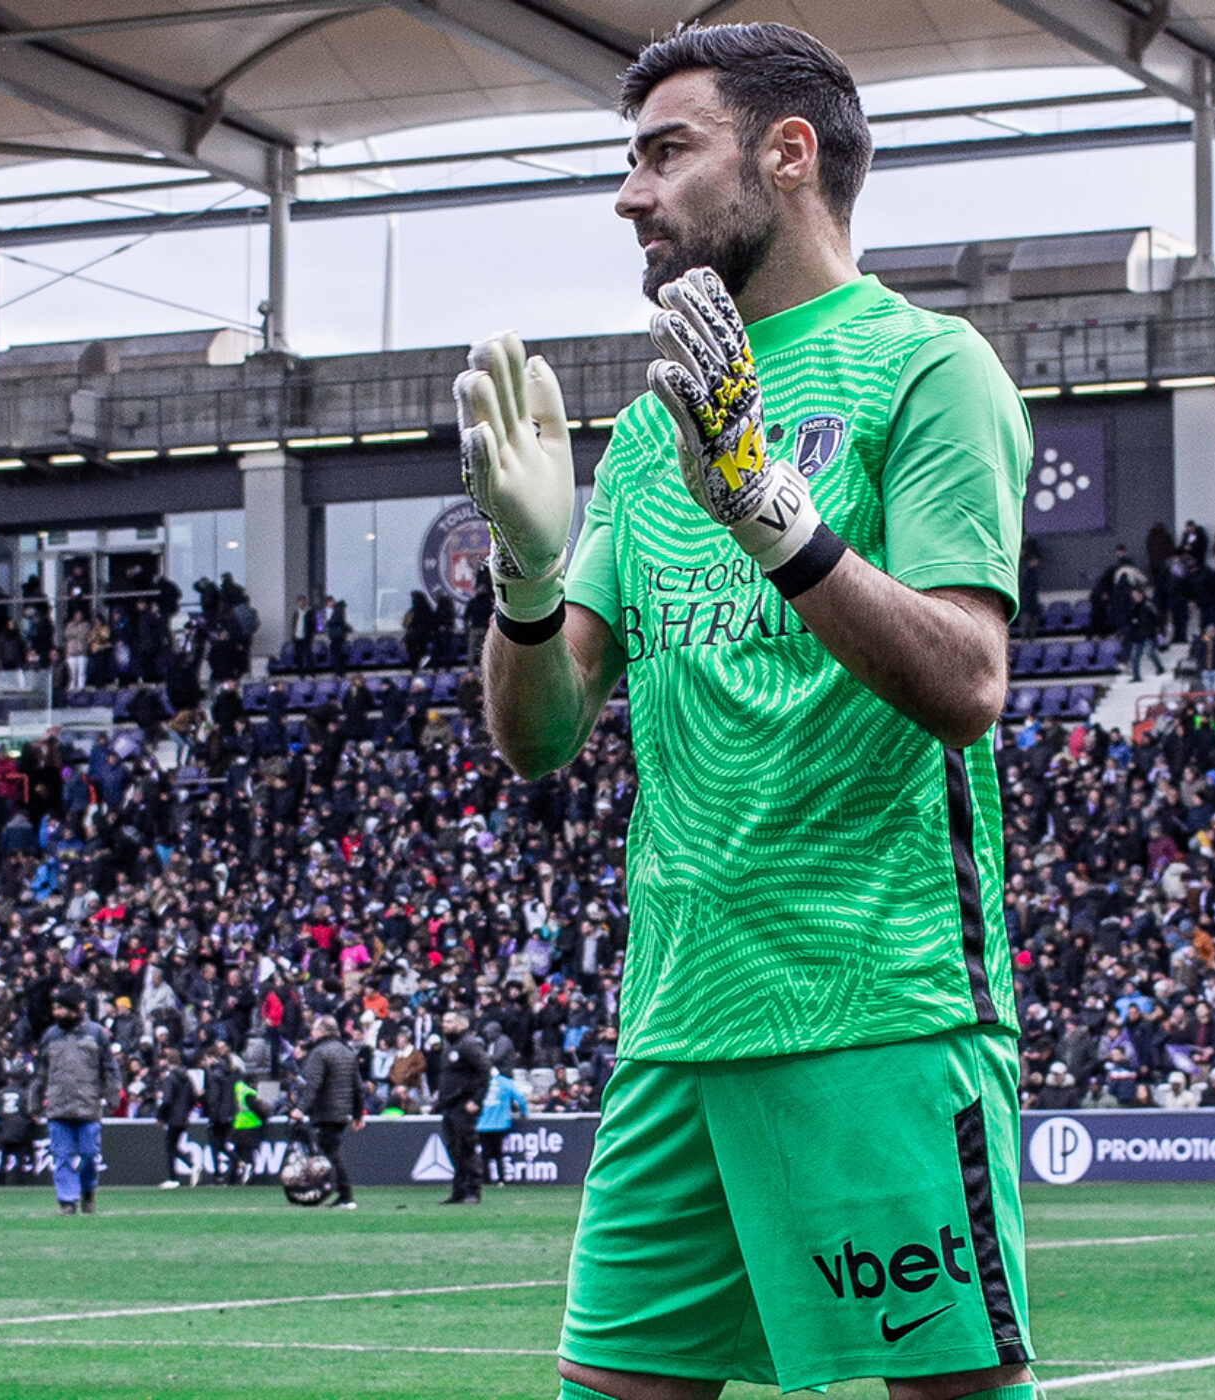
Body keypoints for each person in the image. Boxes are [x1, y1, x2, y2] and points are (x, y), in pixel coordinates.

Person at [464, 24, 1035, 1399]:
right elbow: (538, 736)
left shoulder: (929, 369)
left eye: (666, 152)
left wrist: (773, 510)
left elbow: (968, 683)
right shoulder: (658, 429)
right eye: (629, 160)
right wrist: (527, 573)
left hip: (878, 1012)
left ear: (787, 156)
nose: (629, 195)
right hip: (676, 1030)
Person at [33, 986, 118, 1216]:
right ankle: (67, 1201)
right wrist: (34, 1100)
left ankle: (88, 1191)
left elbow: (109, 1069)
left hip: (87, 1106)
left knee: (89, 1154)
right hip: (58, 1107)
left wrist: (112, 1096)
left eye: (60, 1008)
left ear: (75, 1009)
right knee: (62, 1157)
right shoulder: (50, 1036)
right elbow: (40, 1071)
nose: (56, 1012)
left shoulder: (96, 1034)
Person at [294, 1015, 362, 1209]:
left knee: (330, 1153)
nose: (312, 1033)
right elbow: (358, 1086)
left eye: (314, 1030)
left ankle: (345, 1194)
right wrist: (357, 1115)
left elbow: (312, 1085)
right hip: (343, 1111)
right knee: (330, 1152)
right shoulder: (347, 1051)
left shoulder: (319, 1052)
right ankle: (335, 1191)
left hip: (325, 1110)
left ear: (322, 1032)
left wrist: (301, 1109)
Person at [433, 1010, 491, 1205]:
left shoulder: (469, 1044)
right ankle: (459, 1191)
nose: (445, 1025)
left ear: (461, 1025)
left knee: (466, 1148)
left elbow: (485, 1071)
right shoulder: (450, 1046)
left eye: (449, 1022)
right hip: (449, 1105)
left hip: (463, 1105)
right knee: (454, 1149)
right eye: (444, 1021)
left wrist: (477, 1099)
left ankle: (473, 1191)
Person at [203, 1045, 264, 1186]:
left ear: (210, 1058)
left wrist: (211, 1111)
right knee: (222, 1144)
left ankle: (236, 1165)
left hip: (220, 1115)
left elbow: (214, 1097)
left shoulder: (215, 1073)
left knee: (217, 1144)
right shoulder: (230, 1071)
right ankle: (227, 1173)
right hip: (230, 1114)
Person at [477, 1062, 531, 1190]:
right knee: (499, 1153)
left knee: (485, 1154)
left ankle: (486, 1180)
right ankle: (501, 1179)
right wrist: (524, 1112)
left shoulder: (480, 1083)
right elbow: (519, 1097)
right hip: (500, 1123)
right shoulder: (506, 1082)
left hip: (483, 1124)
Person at [0, 1062, 39, 1188]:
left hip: (5, 1129)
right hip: (21, 1130)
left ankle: (0, 1184)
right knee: (20, 1159)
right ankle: (21, 1184)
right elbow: (29, 1111)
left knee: (4, 1159)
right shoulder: (25, 1093)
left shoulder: (0, 1093)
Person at [154, 1049, 197, 1188]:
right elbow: (193, 1097)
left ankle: (173, 1178)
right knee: (173, 1145)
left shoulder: (169, 1078)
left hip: (173, 1116)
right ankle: (190, 1164)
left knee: (170, 1146)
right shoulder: (187, 1077)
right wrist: (187, 1111)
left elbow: (166, 1100)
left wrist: (160, 1116)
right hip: (183, 1116)